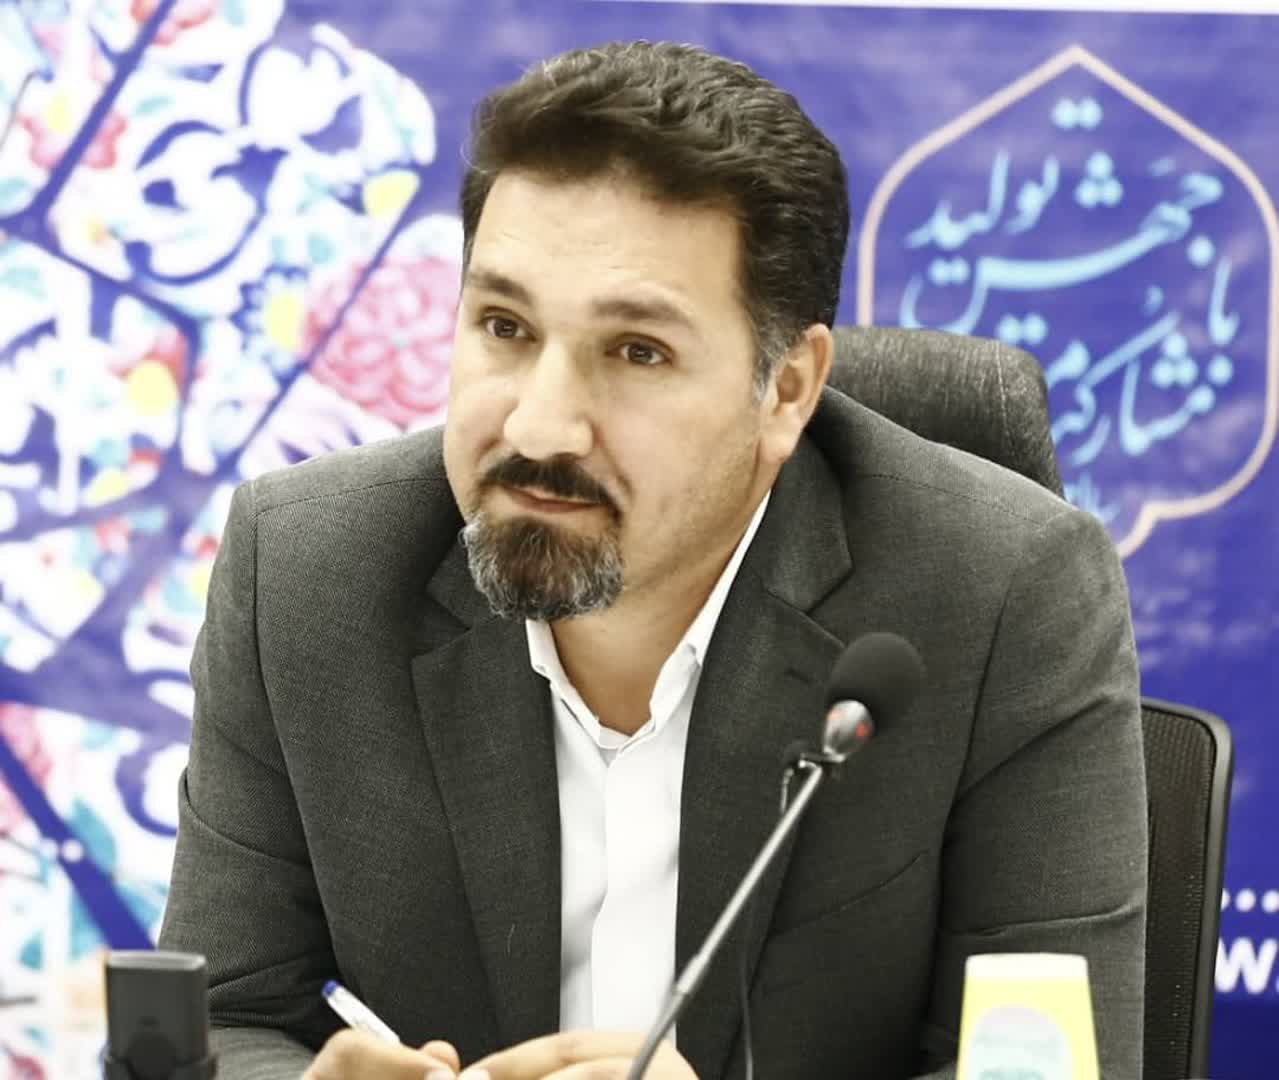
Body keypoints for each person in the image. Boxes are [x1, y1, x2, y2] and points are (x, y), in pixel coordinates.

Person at [158, 40, 1147, 1080]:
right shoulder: (307, 569)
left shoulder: (1003, 594)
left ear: (786, 392)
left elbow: (1049, 1070)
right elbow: (222, 1018)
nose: (540, 427)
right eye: (503, 326)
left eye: (637, 351)